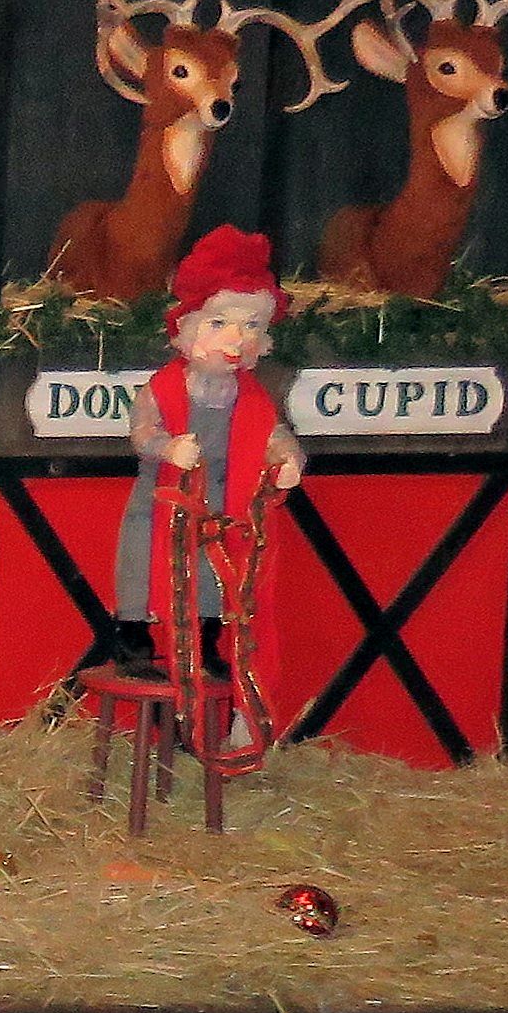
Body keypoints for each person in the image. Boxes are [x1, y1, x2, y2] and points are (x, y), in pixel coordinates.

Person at [110, 224, 305, 677]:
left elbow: (273, 434)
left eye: (250, 326)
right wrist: (167, 447)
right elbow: (143, 432)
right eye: (220, 324)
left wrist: (287, 459)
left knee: (213, 577)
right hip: (161, 503)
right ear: (190, 328)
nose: (236, 339)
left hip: (218, 505)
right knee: (142, 566)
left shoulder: (251, 398)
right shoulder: (164, 389)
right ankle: (133, 641)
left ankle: (207, 644)